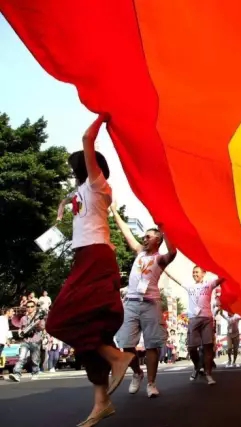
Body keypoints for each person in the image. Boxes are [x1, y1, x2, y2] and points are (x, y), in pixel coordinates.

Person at [45, 114, 134, 426]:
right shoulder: (82, 191)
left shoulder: (99, 185)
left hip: (95, 256)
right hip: (85, 256)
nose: (71, 172)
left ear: (89, 167)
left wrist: (103, 114)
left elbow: (87, 140)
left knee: (57, 321)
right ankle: (101, 403)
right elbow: (71, 204)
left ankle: (116, 356)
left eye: (74, 168)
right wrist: (60, 210)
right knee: (91, 331)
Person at [111, 203, 177, 398]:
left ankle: (151, 383)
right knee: (126, 344)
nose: (144, 239)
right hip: (131, 303)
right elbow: (127, 233)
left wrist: (164, 227)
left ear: (158, 240)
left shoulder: (160, 259)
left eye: (148, 236)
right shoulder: (140, 252)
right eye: (144, 237)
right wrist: (114, 211)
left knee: (151, 345)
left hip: (151, 304)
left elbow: (173, 251)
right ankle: (138, 373)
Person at [166, 266, 222, 384]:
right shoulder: (189, 286)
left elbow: (222, 278)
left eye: (197, 272)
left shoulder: (209, 284)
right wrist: (164, 267)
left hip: (207, 318)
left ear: (203, 273)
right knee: (191, 348)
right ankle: (197, 366)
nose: (194, 274)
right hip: (193, 319)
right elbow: (174, 277)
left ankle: (208, 374)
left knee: (207, 347)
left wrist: (220, 267)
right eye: (193, 272)